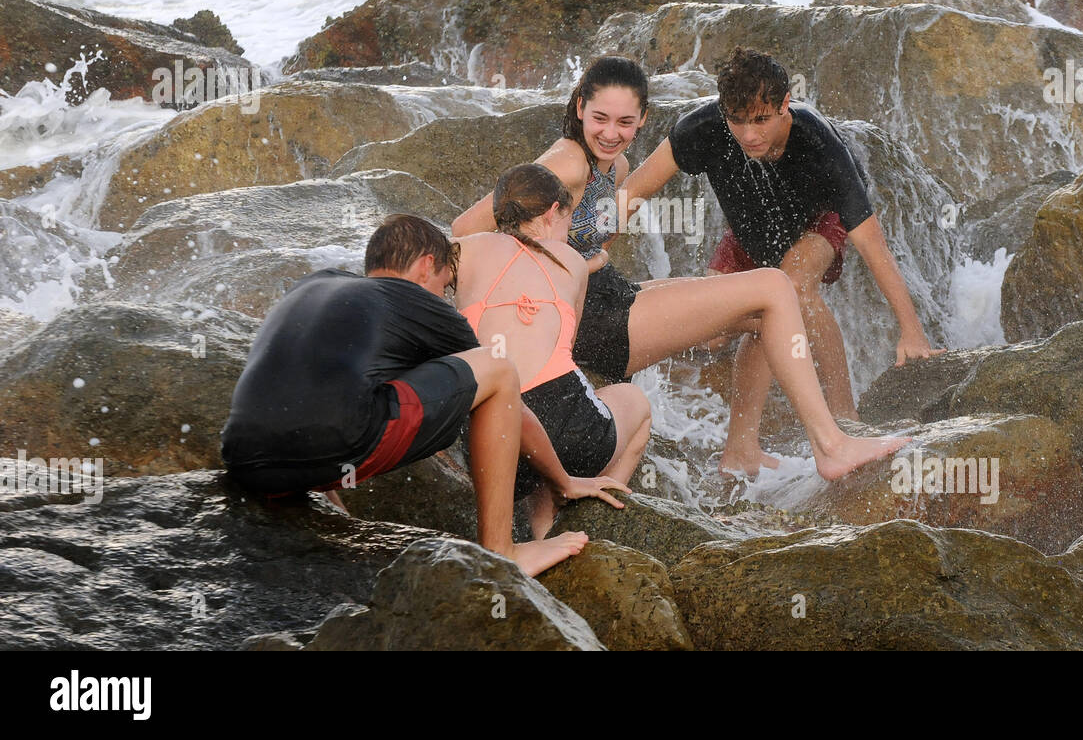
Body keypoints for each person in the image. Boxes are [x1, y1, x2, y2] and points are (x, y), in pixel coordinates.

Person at [452, 57, 910, 480]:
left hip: (609, 294)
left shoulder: (613, 165)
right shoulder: (567, 161)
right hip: (599, 323)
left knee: (760, 313)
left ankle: (741, 451)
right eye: (600, 119)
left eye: (626, 122)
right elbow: (465, 230)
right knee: (773, 287)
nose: (612, 133)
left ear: (643, 120)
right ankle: (830, 445)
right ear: (579, 108)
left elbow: (598, 228)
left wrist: (586, 255)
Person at [221, 213, 625, 578]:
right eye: (445, 285)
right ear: (425, 266)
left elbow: (315, 389)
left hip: (246, 461)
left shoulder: (313, 286)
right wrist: (562, 480)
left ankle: (330, 507)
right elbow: (507, 401)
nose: (443, 297)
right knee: (497, 366)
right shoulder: (413, 299)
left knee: (335, 388)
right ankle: (502, 551)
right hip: (342, 438)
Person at [623, 46, 945, 474]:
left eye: (761, 119)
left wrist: (911, 329)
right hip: (753, 231)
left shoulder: (818, 143)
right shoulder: (702, 128)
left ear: (784, 105)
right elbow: (632, 191)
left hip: (818, 222)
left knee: (790, 287)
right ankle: (740, 448)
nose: (749, 133)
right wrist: (589, 246)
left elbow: (872, 244)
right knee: (723, 327)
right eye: (738, 120)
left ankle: (844, 420)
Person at [454, 164, 651, 540]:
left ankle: (542, 531)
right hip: (571, 431)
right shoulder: (572, 261)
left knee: (529, 434)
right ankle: (592, 524)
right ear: (551, 213)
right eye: (567, 219)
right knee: (636, 403)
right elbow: (566, 349)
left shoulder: (465, 251)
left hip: (493, 442)